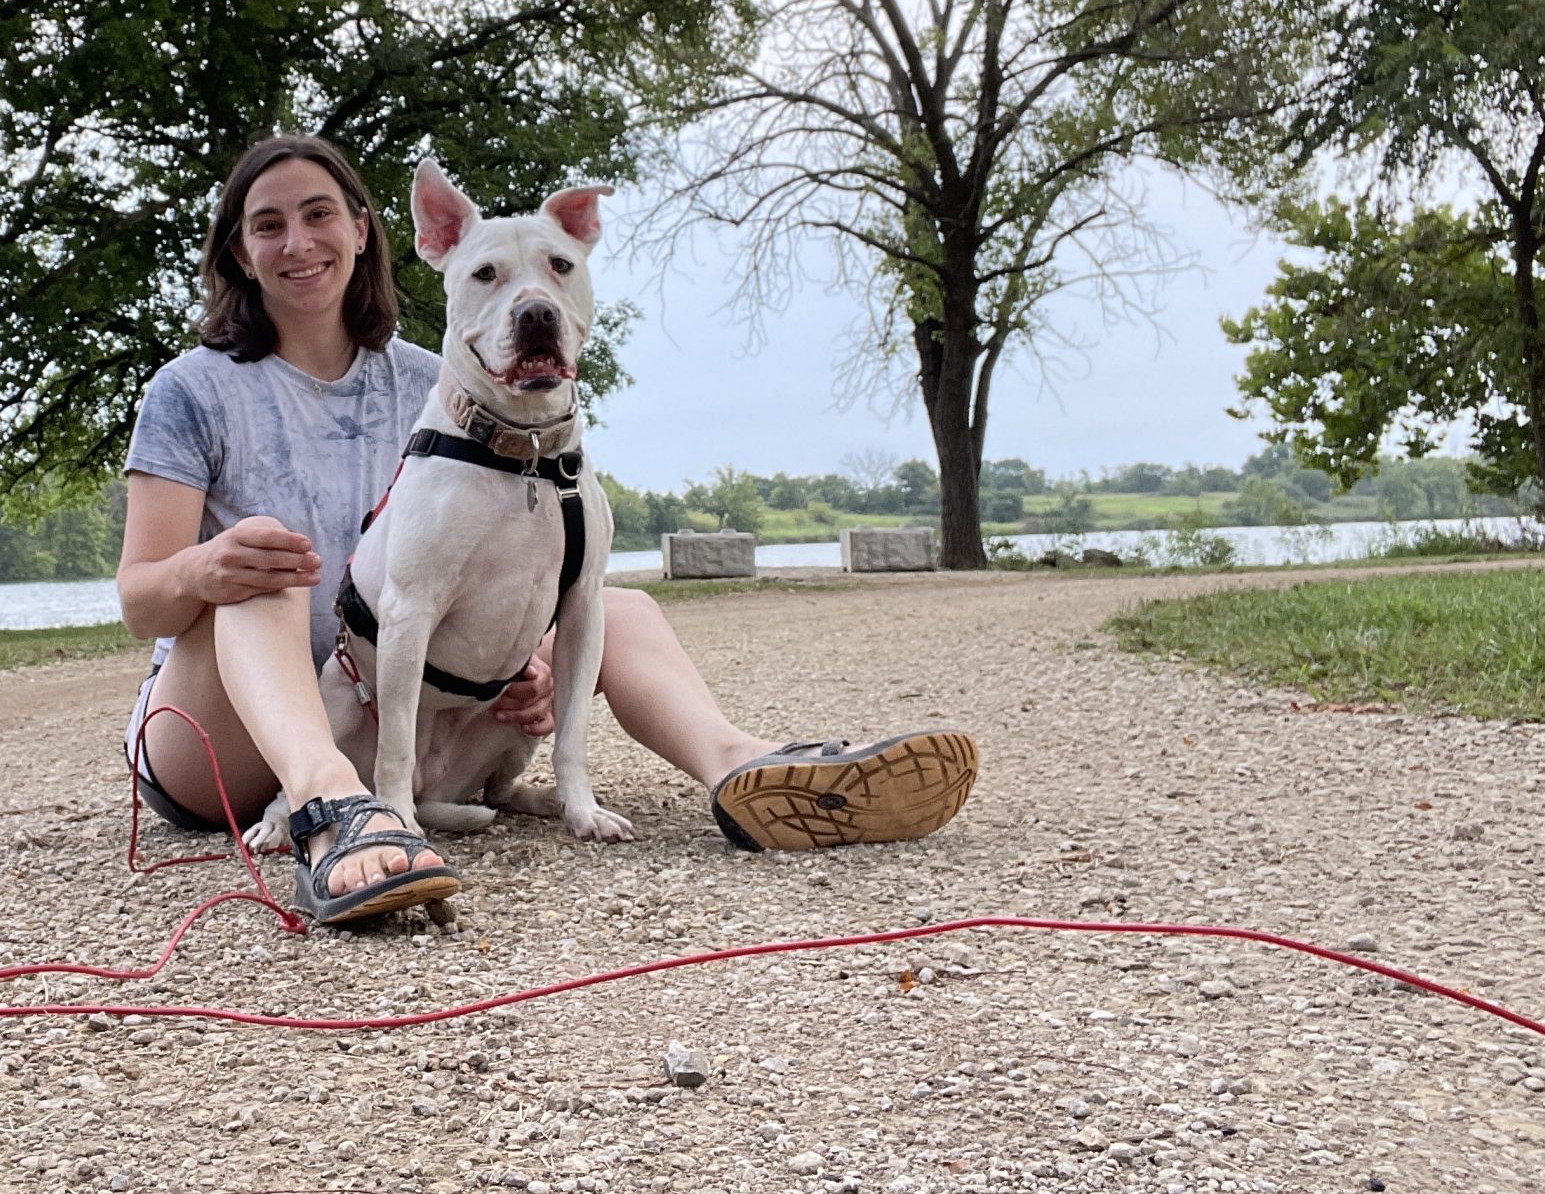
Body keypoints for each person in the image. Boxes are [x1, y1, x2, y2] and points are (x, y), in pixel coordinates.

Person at [115, 134, 977, 925]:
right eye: (268, 225)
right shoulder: (191, 390)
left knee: (615, 600)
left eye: (318, 215)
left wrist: (518, 655)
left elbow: (519, 562)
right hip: (222, 734)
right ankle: (334, 805)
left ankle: (745, 768)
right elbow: (140, 601)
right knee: (262, 567)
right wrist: (203, 569)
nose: (298, 243)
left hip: (407, 712)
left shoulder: (444, 378)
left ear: (364, 232)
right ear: (239, 251)